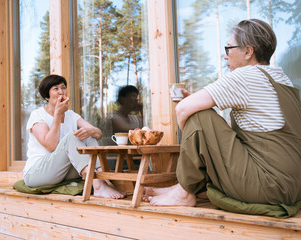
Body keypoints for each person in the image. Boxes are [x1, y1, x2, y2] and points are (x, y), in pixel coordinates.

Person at [144, 19, 301, 208]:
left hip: (267, 184)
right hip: (291, 186)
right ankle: (182, 187)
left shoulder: (246, 75)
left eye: (228, 48)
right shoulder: (282, 79)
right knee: (201, 115)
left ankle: (184, 193)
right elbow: (242, 134)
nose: (225, 56)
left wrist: (194, 134)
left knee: (198, 115)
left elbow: (182, 109)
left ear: (248, 51)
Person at [23, 74, 125, 199]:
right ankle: (98, 186)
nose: (61, 92)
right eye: (55, 89)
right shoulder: (38, 115)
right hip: (37, 173)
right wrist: (57, 114)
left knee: (87, 134)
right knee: (72, 136)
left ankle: (104, 181)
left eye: (63, 87)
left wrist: (90, 131)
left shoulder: (71, 115)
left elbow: (98, 133)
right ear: (46, 96)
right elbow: (50, 146)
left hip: (62, 172)